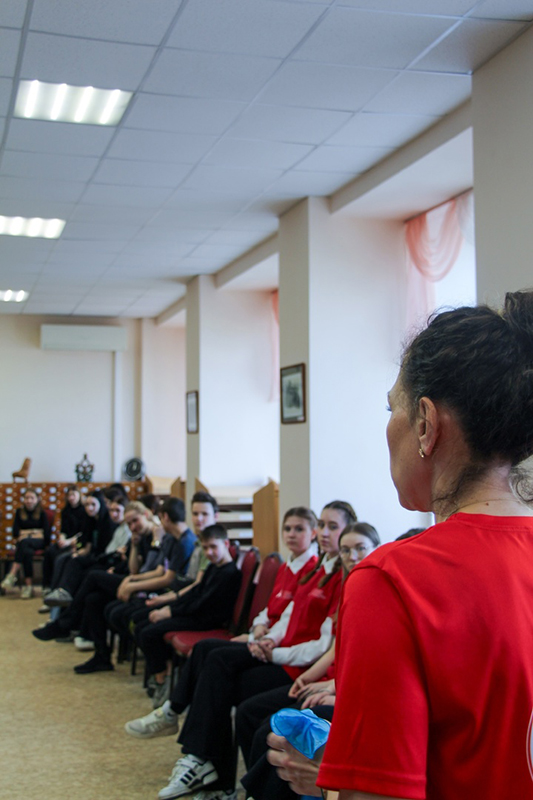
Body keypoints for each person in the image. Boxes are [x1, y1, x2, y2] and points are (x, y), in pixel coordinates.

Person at [269, 290, 533, 800]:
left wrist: (329, 785)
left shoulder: (393, 580)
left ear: (426, 424)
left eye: (392, 407)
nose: (388, 426)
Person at [152, 500, 356, 800]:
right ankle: (212, 774)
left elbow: (326, 645)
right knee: (215, 668)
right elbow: (284, 617)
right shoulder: (315, 572)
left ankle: (210, 764)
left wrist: (270, 650)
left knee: (222, 674)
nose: (324, 533)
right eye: (322, 525)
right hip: (284, 655)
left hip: (296, 665)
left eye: (332, 527)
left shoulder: (340, 578)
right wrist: (261, 637)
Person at [125, 505, 320, 737]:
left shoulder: (312, 570)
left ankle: (179, 721)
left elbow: (293, 622)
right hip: (266, 638)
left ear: (313, 533)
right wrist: (258, 626)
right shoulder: (287, 566)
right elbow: (271, 610)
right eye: (287, 529)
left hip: (278, 649)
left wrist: (257, 637)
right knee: (204, 650)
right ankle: (172, 713)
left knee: (214, 660)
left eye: (299, 529)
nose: (291, 534)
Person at [238, 523, 381, 800]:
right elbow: (335, 646)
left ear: (377, 549)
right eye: (346, 550)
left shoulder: (378, 591)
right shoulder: (347, 587)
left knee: (279, 730)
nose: (352, 556)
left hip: (344, 690)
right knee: (251, 712)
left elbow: (372, 664)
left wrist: (335, 689)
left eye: (360, 548)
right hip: (329, 680)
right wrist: (312, 678)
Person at [43, 489, 116, 606]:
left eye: (93, 504)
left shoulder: (107, 523)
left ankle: (63, 592)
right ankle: (55, 593)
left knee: (72, 562)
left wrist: (78, 554)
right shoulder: (90, 521)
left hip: (101, 557)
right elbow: (87, 545)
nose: (89, 508)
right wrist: (77, 553)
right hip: (91, 554)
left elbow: (104, 549)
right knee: (63, 559)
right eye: (87, 505)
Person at [1, 487, 51, 599]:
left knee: (23, 542)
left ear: (37, 499)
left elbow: (46, 534)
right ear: (23, 499)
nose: (29, 500)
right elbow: (15, 532)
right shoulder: (19, 512)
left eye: (32, 498)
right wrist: (35, 532)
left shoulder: (42, 513)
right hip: (26, 544)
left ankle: (12, 574)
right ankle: (28, 586)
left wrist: (25, 533)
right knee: (26, 552)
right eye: (27, 498)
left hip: (40, 542)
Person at [40, 485, 86, 596]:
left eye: (73, 495)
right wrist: (62, 539)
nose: (71, 498)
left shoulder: (84, 511)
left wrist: (68, 541)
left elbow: (83, 533)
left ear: (79, 495)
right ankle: (46, 585)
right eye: (69, 495)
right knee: (49, 552)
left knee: (60, 558)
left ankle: (56, 586)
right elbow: (63, 530)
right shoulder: (65, 511)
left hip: (76, 542)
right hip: (66, 541)